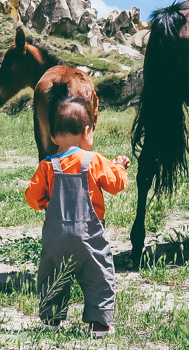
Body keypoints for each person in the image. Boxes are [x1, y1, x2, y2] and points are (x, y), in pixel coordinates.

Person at [24, 99, 129, 337]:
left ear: (52, 137)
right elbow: (116, 184)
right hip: (89, 238)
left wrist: (46, 202)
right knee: (99, 276)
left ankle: (51, 319)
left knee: (52, 276)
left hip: (56, 238)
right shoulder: (94, 161)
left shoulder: (48, 166)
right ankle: (99, 324)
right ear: (87, 132)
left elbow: (32, 198)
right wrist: (119, 166)